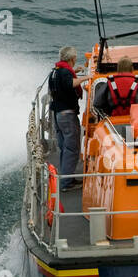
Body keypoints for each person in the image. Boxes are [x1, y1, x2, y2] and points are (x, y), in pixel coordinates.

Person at [48, 46, 84, 191]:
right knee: (72, 148)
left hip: (57, 115)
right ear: (71, 58)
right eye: (75, 58)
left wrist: (75, 72)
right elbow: (70, 83)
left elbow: (63, 81)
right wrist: (87, 78)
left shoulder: (55, 71)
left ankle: (66, 178)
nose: (75, 60)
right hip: (67, 115)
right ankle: (66, 183)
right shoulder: (64, 72)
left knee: (64, 147)